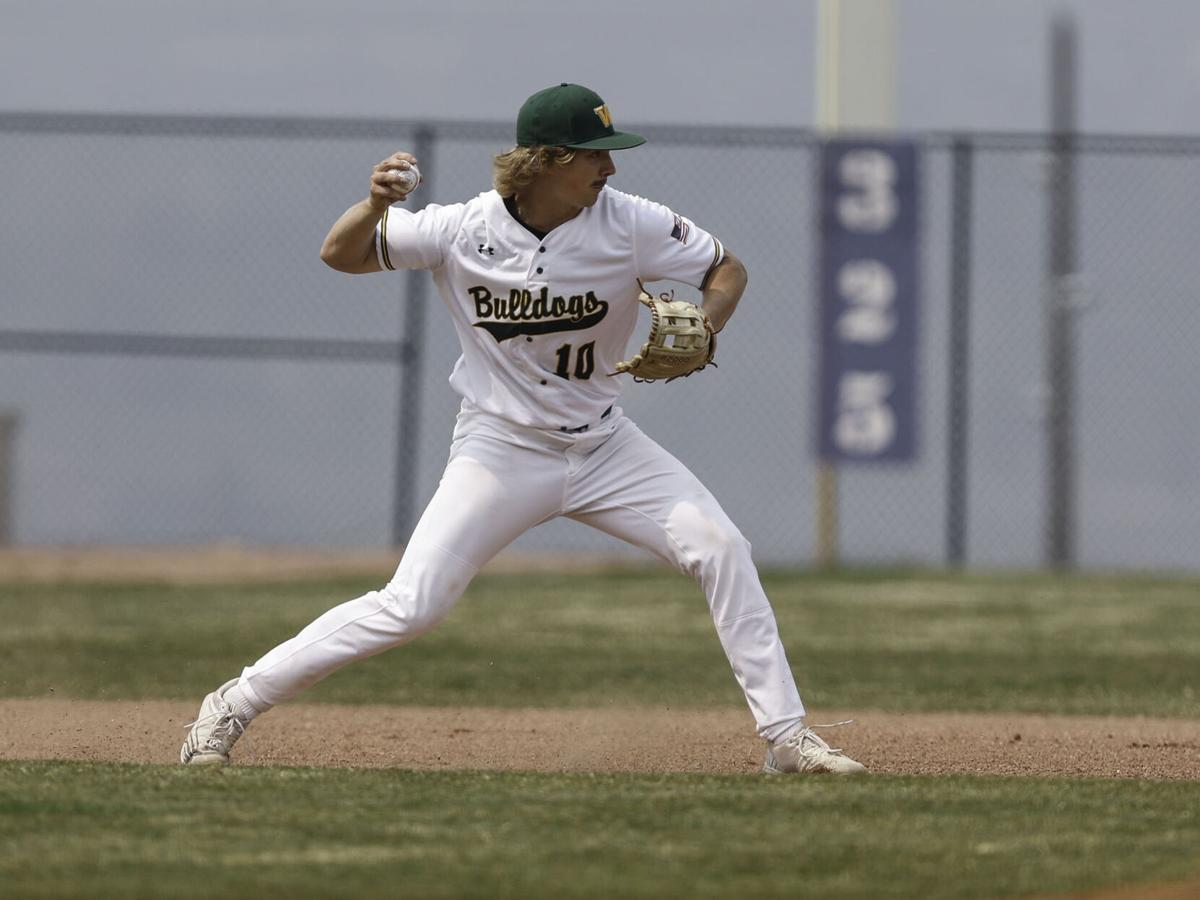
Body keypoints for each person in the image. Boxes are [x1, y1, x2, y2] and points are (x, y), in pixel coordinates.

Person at [181, 83, 866, 776]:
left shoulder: (630, 222)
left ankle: (786, 738)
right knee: (412, 605)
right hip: (500, 449)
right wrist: (377, 207)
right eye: (595, 156)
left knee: (721, 548)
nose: (611, 168)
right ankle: (230, 705)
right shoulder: (460, 228)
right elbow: (340, 253)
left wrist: (708, 326)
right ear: (548, 159)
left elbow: (726, 267)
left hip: (606, 446)